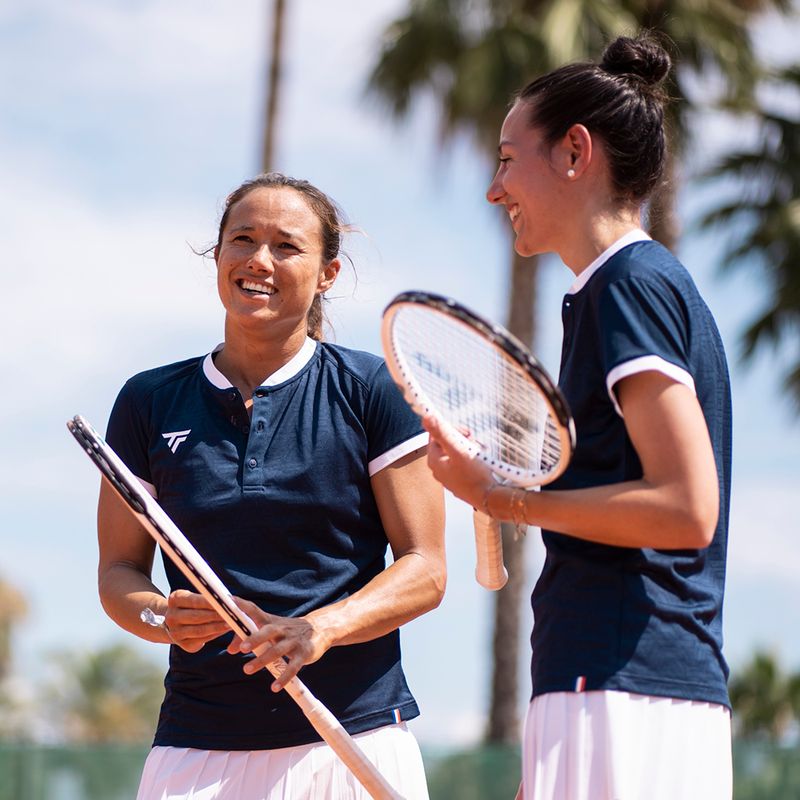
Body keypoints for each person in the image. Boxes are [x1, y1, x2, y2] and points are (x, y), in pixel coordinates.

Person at [423, 33, 733, 800]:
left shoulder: (626, 285)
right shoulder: (631, 285)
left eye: (505, 158)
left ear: (573, 153)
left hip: (624, 682)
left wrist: (499, 500)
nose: (494, 190)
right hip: (627, 684)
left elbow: (687, 509)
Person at [97, 172, 446, 800]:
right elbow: (120, 572)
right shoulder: (148, 401)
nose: (259, 259)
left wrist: (321, 629)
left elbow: (425, 571)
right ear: (219, 256)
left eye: (286, 246)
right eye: (242, 239)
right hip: (194, 748)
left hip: (354, 738)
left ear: (327, 274)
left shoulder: (371, 390)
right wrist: (160, 616)